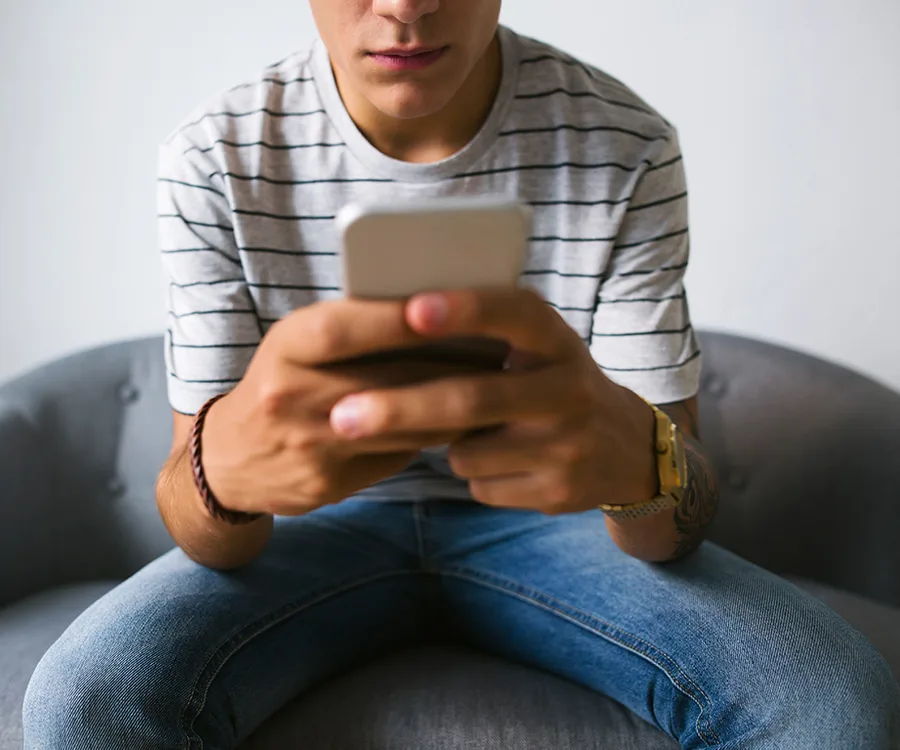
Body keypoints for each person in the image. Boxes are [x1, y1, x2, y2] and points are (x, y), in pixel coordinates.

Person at [23, 1, 900, 748]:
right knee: (84, 701)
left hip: (564, 529)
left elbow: (671, 522)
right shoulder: (215, 155)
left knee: (832, 700)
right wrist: (226, 477)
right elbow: (200, 519)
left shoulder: (627, 143)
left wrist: (639, 461)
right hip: (309, 531)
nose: (405, 6)